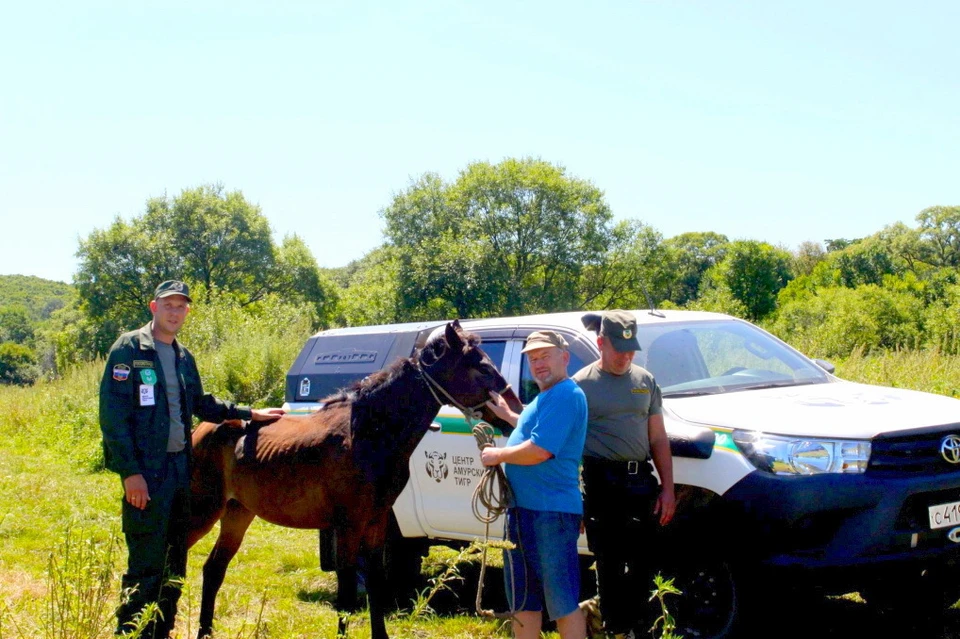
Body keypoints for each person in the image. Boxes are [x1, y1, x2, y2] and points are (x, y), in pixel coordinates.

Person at [99, 280, 284, 638]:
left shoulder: (184, 357)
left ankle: (163, 631)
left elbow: (202, 405)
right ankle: (133, 632)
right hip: (146, 475)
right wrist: (130, 473)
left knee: (174, 563)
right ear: (154, 307)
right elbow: (113, 416)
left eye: (181, 306)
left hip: (180, 471)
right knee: (145, 563)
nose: (175, 311)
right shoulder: (129, 349)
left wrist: (248, 413)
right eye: (169, 304)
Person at [572, 310, 676, 639]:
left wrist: (668, 489)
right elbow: (569, 446)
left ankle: (635, 627)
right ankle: (616, 630)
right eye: (619, 349)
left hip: (640, 481)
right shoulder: (581, 386)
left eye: (631, 349)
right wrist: (575, 498)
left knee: (646, 563)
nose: (626, 356)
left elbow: (658, 438)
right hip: (601, 483)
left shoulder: (645, 381)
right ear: (601, 343)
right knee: (610, 565)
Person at [482, 330, 588, 639]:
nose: (538, 364)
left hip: (550, 514)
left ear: (564, 357)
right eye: (533, 358)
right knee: (523, 599)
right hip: (523, 509)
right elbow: (532, 427)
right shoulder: (546, 397)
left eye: (545, 356)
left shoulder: (567, 394)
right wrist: (508, 415)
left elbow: (540, 450)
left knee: (562, 603)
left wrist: (496, 455)